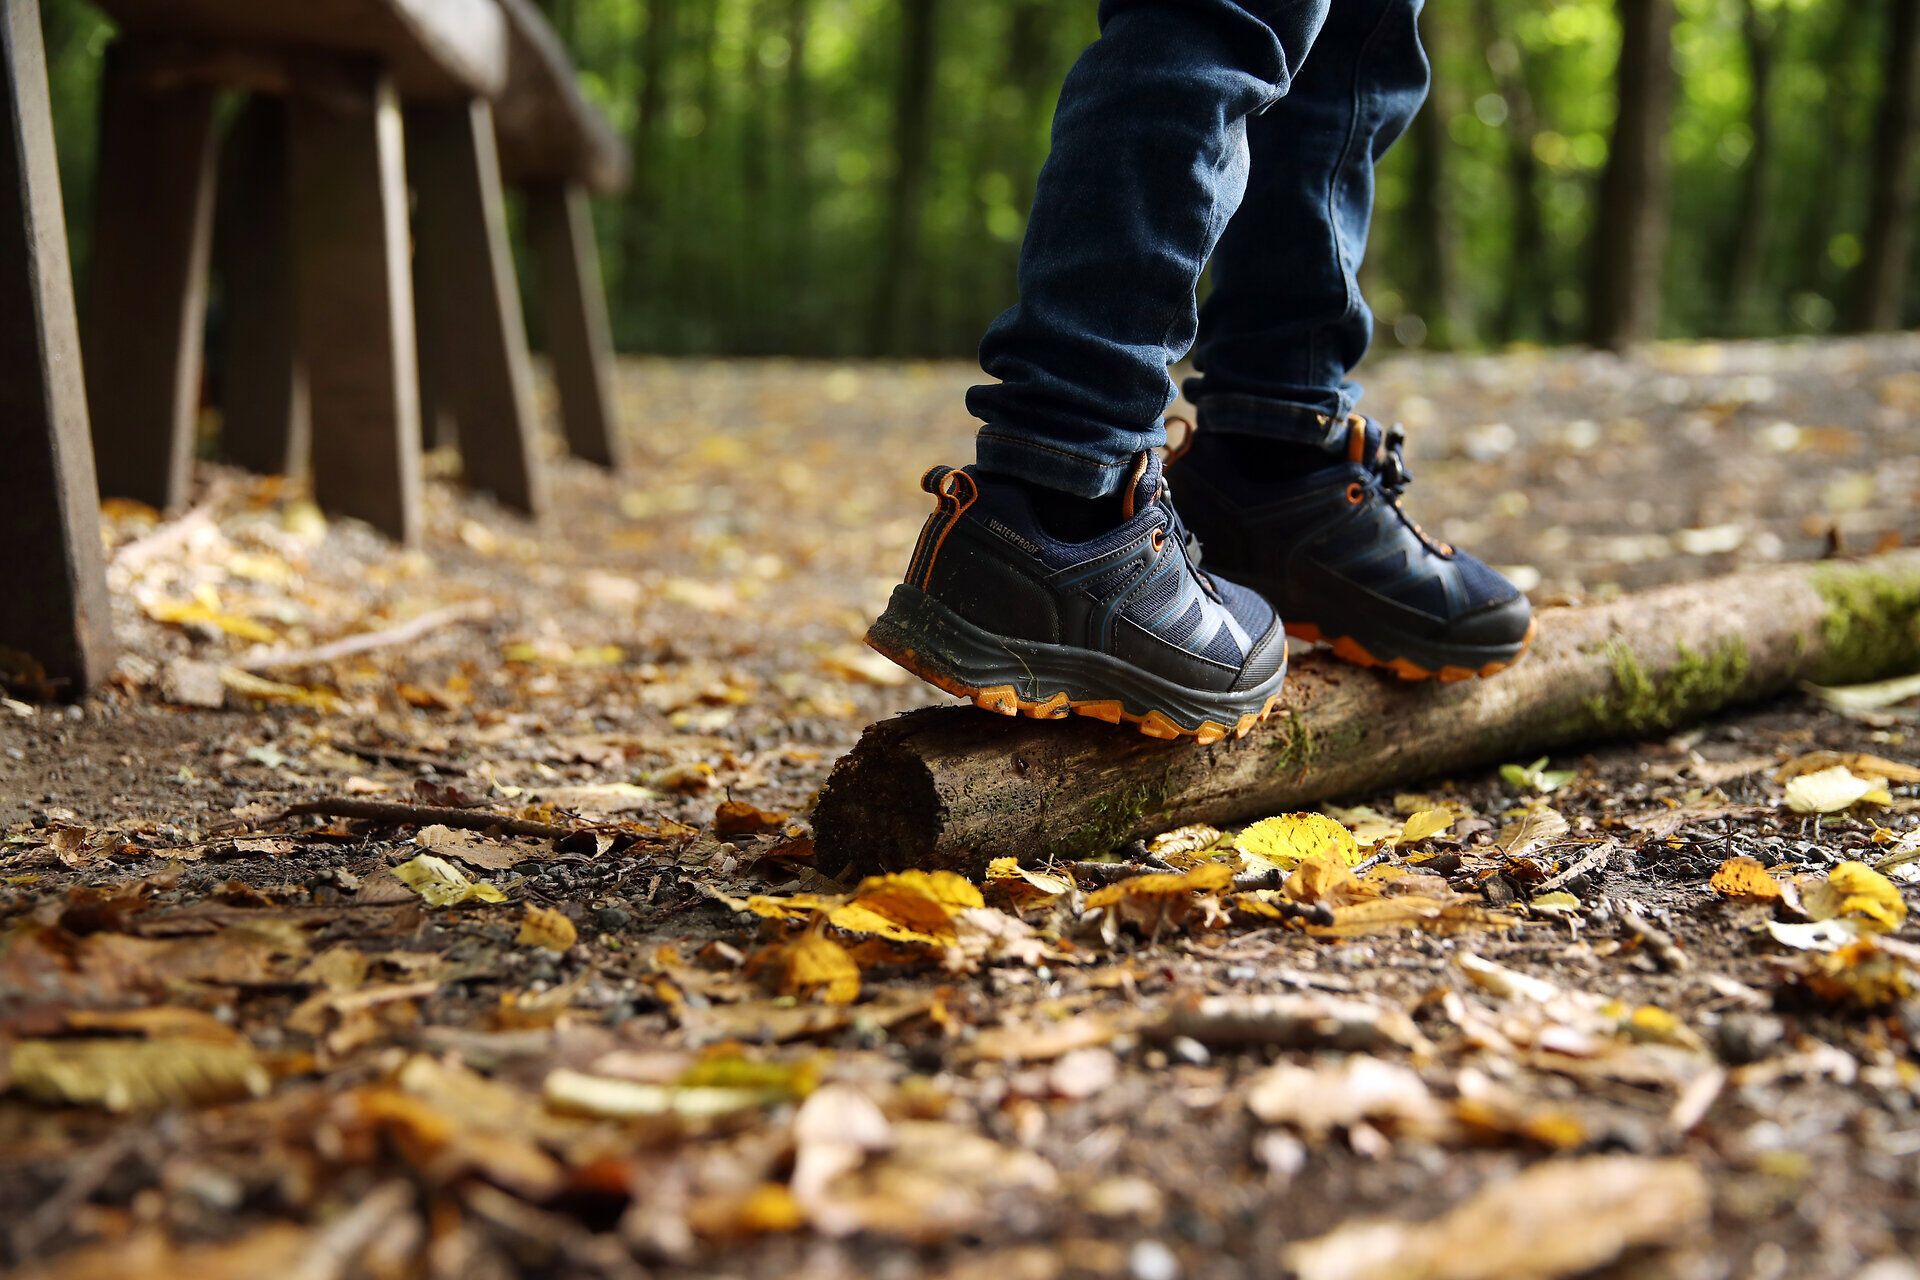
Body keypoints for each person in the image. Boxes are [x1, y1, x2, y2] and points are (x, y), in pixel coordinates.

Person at [866, 0, 1535, 744]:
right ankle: (1067, 494)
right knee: (1222, 16)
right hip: (1075, 477)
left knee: (1352, 42)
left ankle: (1277, 459)